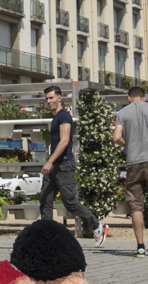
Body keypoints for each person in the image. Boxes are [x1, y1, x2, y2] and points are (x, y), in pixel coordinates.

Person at [112, 83, 148, 257]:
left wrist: (127, 145)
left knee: (136, 205)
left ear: (129, 98)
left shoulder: (122, 113)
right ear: (144, 97)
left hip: (134, 162)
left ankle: (140, 246)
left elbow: (116, 137)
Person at [38, 87, 101, 245]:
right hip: (55, 165)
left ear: (59, 98)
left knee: (70, 202)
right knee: (45, 200)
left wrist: (49, 161)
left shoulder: (64, 116)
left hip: (64, 165)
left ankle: (97, 226)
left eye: (51, 98)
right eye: (47, 99)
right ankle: (46, 236)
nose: (48, 101)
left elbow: (65, 141)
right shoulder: (56, 117)